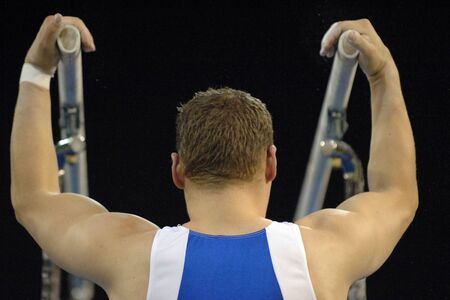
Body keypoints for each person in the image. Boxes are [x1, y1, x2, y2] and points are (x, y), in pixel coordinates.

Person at [11, 14, 418, 300]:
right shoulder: (327, 250)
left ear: (177, 170)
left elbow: (34, 199)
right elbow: (397, 193)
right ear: (271, 164)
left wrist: (35, 72)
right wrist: (382, 74)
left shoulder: (131, 256)